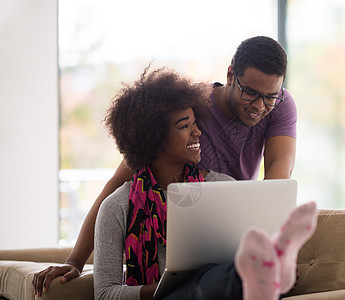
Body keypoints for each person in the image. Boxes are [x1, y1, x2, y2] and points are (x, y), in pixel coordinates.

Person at [32, 36, 298, 295]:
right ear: (231, 75)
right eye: (250, 93)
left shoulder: (280, 106)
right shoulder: (188, 108)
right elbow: (118, 188)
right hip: (174, 227)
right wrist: (75, 261)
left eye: (271, 96)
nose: (260, 106)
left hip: (225, 220)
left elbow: (278, 176)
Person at [91, 66, 316, 299]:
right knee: (216, 278)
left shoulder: (223, 188)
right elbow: (105, 294)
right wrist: (162, 289)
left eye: (195, 123)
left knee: (221, 275)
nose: (198, 132)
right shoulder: (117, 207)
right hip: (166, 297)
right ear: (154, 139)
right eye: (184, 126)